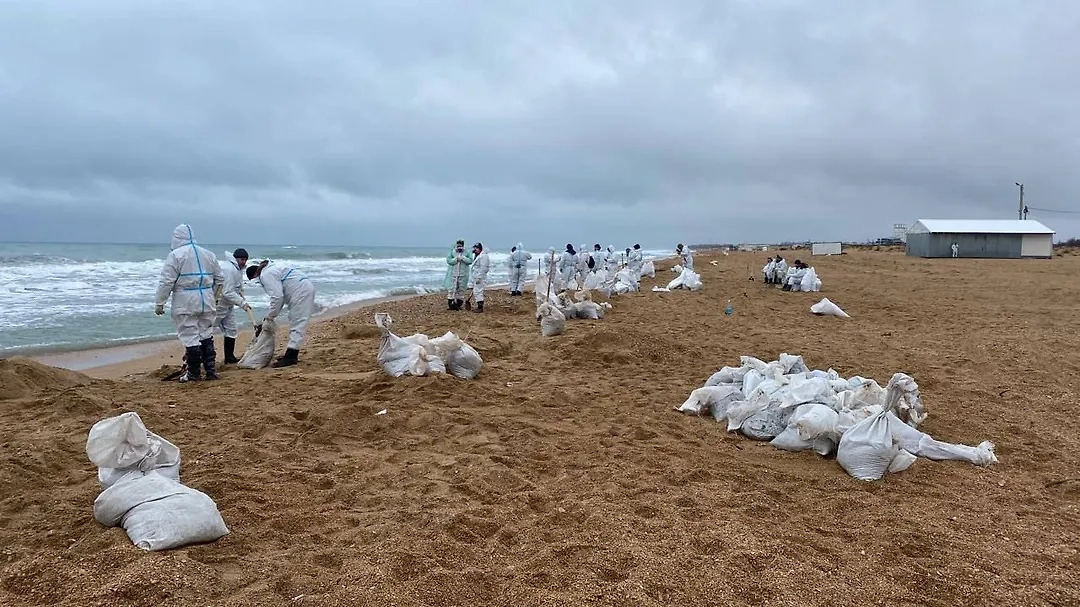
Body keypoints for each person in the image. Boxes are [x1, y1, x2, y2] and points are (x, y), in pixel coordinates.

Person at [155, 224, 225, 382]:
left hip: (185, 300)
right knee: (206, 334)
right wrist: (214, 296)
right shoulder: (209, 254)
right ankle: (210, 371)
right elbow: (220, 279)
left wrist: (160, 302)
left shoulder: (176, 256)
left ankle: (193, 373)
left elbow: (167, 281)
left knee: (190, 336)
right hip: (206, 299)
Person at [246, 259, 316, 367]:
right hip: (302, 288)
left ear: (255, 274)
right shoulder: (270, 269)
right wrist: (270, 316)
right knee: (296, 320)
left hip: (301, 292)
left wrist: (269, 317)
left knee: (298, 323)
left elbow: (277, 297)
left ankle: (291, 357)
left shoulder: (265, 275)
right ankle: (291, 354)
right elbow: (279, 297)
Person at [215, 248, 253, 365]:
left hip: (229, 304)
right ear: (235, 258)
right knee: (208, 330)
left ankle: (229, 357)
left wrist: (243, 298)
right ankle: (203, 358)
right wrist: (242, 303)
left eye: (245, 260)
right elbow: (227, 292)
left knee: (231, 329)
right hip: (218, 303)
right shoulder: (228, 269)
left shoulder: (237, 269)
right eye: (242, 259)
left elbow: (238, 287)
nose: (244, 262)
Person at [444, 239, 473, 310]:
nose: (459, 247)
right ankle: (451, 305)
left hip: (463, 274)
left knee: (461, 289)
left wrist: (463, 258)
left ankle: (458, 305)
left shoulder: (467, 252)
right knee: (452, 289)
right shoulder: (453, 251)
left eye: (461, 245)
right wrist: (456, 259)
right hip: (453, 274)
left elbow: (470, 260)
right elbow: (449, 260)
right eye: (458, 245)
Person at [469, 242, 490, 313]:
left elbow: (484, 268)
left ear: (480, 249)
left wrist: (479, 277)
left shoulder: (483, 256)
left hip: (480, 278)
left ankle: (480, 307)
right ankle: (479, 306)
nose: (475, 249)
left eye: (476, 248)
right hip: (477, 277)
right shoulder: (478, 256)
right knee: (476, 291)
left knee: (478, 292)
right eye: (474, 248)